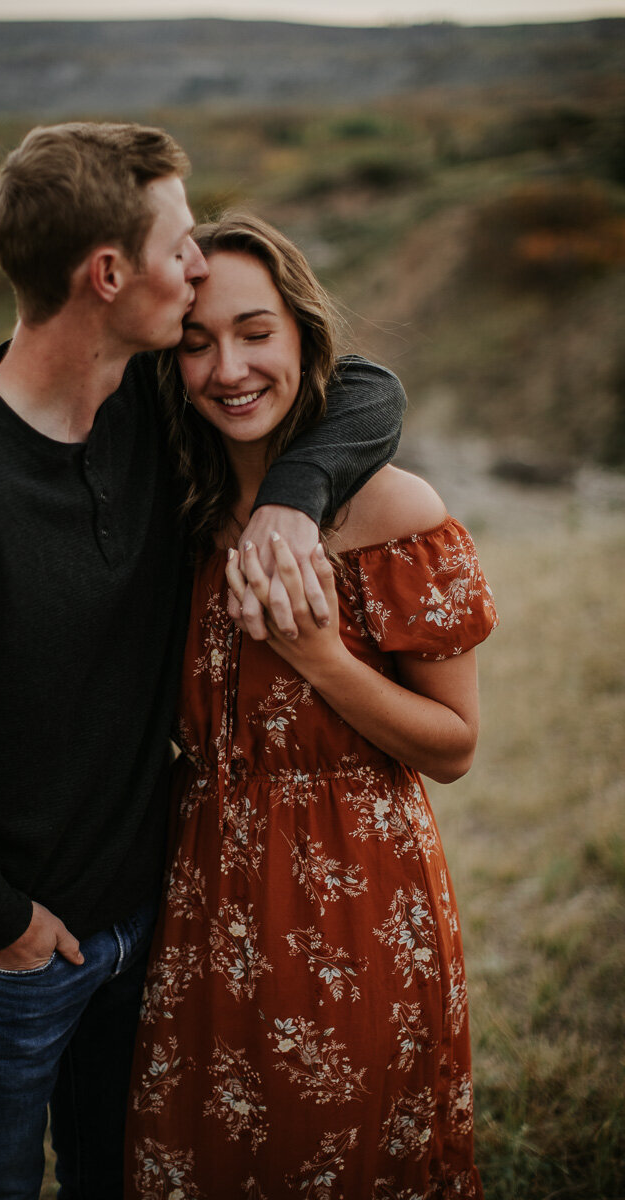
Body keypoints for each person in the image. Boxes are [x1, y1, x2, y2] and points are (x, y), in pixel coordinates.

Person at [0, 125, 405, 1199]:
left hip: (155, 918)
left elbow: (364, 386)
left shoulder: (149, 396)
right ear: (107, 274)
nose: (195, 262)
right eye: (180, 244)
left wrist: (290, 498)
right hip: (16, 949)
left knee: (115, 1175)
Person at [124, 213, 497, 1198]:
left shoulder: (394, 516)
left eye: (255, 332)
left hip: (355, 905)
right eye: (195, 342)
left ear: (302, 336)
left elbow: (454, 749)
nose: (227, 368)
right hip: (203, 903)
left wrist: (319, 657)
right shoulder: (179, 517)